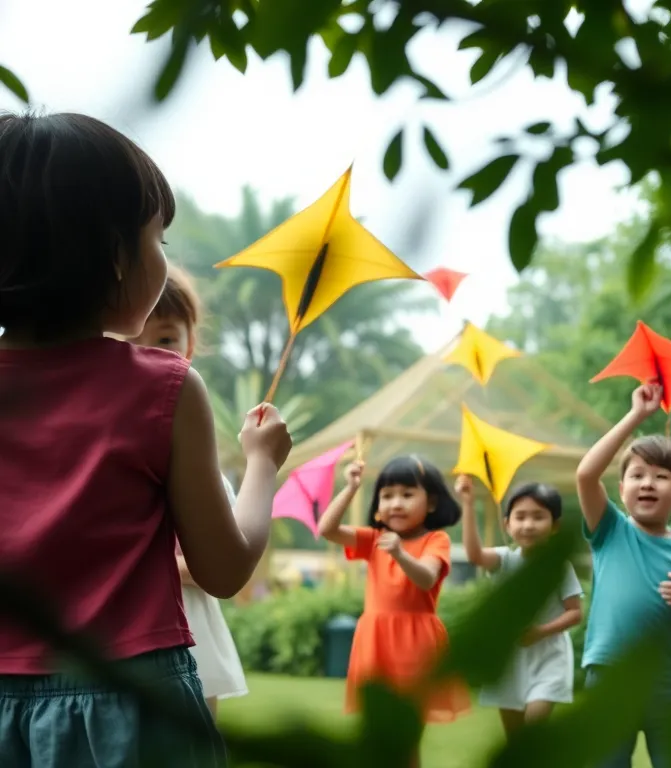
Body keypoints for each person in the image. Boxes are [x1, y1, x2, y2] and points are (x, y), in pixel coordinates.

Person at [0, 111, 291, 767]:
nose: (165, 259)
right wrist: (262, 465)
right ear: (114, 256)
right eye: (158, 239)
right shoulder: (163, 388)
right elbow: (224, 569)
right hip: (129, 709)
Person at [575, 382, 671, 768]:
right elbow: (586, 474)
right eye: (637, 475)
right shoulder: (610, 529)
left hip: (669, 683)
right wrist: (636, 415)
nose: (647, 483)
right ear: (622, 488)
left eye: (661, 476)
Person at [126, 264, 248, 717]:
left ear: (190, 346)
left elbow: (222, 567)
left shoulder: (201, 468)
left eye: (165, 339)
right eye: (130, 342)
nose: (148, 355)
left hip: (191, 632)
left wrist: (261, 465)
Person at [317, 456, 471, 760]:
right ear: (377, 506)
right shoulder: (375, 539)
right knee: (378, 735)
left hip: (416, 644)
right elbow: (327, 529)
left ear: (431, 503)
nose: (396, 503)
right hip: (375, 643)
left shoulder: (436, 540)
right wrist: (351, 487)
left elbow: (426, 578)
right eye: (387, 496)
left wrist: (400, 553)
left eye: (407, 494)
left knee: (406, 736)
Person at [457, 476, 583, 735]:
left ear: (555, 526)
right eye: (520, 517)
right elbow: (474, 555)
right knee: (516, 743)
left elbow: (575, 613)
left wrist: (540, 632)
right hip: (509, 660)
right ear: (507, 524)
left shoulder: (559, 567)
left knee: (533, 729)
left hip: (549, 659)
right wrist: (467, 503)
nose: (528, 525)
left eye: (538, 517)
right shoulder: (504, 560)